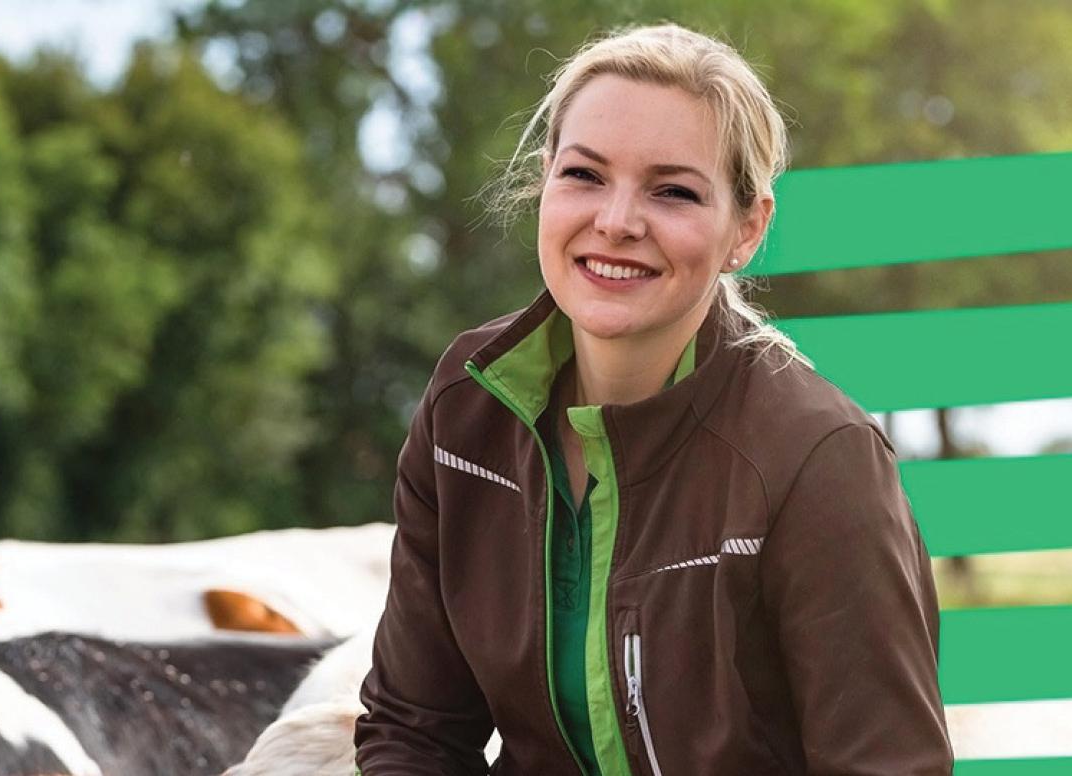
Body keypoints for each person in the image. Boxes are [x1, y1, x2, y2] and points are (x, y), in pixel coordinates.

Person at [350, 23, 953, 776]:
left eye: (673, 191)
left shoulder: (820, 459)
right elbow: (414, 730)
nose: (617, 222)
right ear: (545, 180)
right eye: (585, 176)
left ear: (748, 228)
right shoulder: (466, 405)